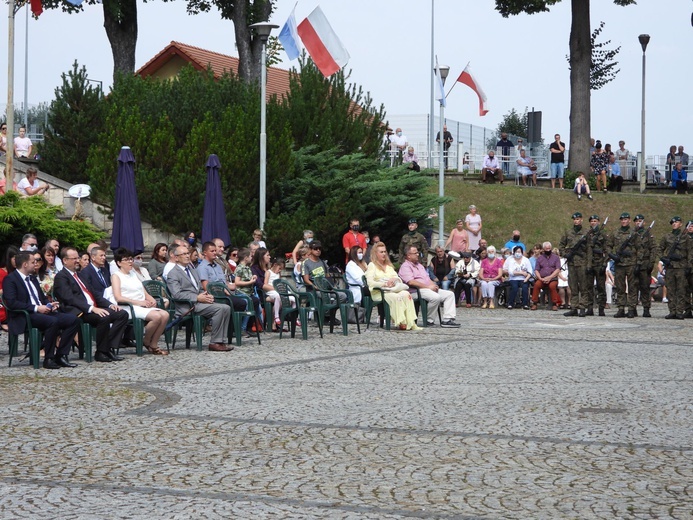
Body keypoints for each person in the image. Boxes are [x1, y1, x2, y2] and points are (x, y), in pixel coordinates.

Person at [2, 252, 81, 369]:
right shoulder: (10, 279)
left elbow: (41, 297)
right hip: (25, 315)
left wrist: (49, 304)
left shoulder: (33, 278)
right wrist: (36, 308)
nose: (36, 264)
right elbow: (12, 303)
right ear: (24, 264)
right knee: (52, 321)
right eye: (33, 262)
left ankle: (60, 355)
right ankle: (49, 358)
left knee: (73, 319)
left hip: (42, 312)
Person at [53, 247, 129, 363]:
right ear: (65, 260)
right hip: (80, 310)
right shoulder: (61, 277)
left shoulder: (81, 275)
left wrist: (109, 305)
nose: (77, 261)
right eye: (73, 259)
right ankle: (101, 352)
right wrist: (92, 308)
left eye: (77, 258)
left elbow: (95, 294)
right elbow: (69, 298)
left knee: (122, 314)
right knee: (104, 317)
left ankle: (107, 348)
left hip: (93, 307)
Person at [167, 244, 233, 351]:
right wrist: (197, 297)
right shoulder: (173, 273)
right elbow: (176, 294)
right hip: (186, 306)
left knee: (226, 307)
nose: (187, 256)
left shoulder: (192, 270)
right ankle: (215, 342)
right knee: (220, 309)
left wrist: (207, 294)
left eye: (188, 253)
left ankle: (220, 341)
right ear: (176, 258)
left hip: (199, 303)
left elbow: (199, 288)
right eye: (184, 254)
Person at [111, 249, 169, 355]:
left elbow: (143, 291)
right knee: (156, 317)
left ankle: (154, 343)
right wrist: (138, 302)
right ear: (119, 263)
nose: (130, 262)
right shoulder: (116, 276)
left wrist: (150, 299)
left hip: (142, 304)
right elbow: (118, 297)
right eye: (126, 260)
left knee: (165, 314)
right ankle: (146, 340)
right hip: (128, 306)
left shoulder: (133, 274)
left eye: (130, 259)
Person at [398, 246, 459, 327]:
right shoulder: (405, 266)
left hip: (427, 289)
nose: (418, 255)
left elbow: (427, 278)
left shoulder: (419, 265)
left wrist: (433, 285)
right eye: (415, 253)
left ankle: (448, 319)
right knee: (435, 297)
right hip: (415, 291)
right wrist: (428, 287)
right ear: (408, 255)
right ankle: (429, 320)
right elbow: (411, 282)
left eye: (418, 253)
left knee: (449, 294)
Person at [365, 242, 419, 331]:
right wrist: (384, 284)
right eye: (381, 252)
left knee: (406, 294)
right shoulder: (372, 265)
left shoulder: (389, 265)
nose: (383, 254)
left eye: (384, 252)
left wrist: (394, 280)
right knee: (395, 297)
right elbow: (370, 282)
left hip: (392, 289)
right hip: (380, 291)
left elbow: (398, 278)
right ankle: (401, 321)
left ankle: (410, 321)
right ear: (376, 253)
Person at [606, 213, 640, 318]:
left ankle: (631, 308)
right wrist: (612, 255)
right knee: (620, 287)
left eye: (625, 219)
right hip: (619, 263)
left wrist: (638, 263)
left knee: (632, 287)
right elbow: (608, 245)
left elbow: (640, 248)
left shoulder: (634, 233)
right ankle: (621, 308)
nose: (623, 221)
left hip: (631, 263)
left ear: (629, 220)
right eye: (622, 220)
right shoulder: (615, 233)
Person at [659, 217, 692, 319]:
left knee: (681, 289)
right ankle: (672, 311)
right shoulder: (667, 236)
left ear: (681, 224)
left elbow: (690, 252)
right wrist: (664, 259)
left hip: (681, 266)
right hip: (670, 267)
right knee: (671, 290)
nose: (674, 224)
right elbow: (659, 249)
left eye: (676, 222)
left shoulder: (686, 237)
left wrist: (689, 266)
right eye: (672, 222)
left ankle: (679, 311)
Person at [559, 212, 591, 317]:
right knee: (573, 286)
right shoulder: (568, 232)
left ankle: (582, 307)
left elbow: (589, 249)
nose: (576, 221)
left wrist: (589, 264)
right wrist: (565, 254)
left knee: (583, 286)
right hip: (572, 262)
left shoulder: (586, 232)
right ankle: (574, 307)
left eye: (578, 219)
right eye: (574, 219)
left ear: (581, 220)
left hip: (582, 262)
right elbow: (561, 245)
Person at [632, 215, 657, 318]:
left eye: (640, 221)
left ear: (644, 223)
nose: (639, 223)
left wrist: (651, 263)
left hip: (645, 264)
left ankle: (646, 308)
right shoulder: (632, 234)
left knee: (645, 287)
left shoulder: (648, 235)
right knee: (633, 287)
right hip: (633, 264)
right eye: (637, 221)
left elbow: (653, 249)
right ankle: (632, 308)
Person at [585, 215, 608, 316]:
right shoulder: (587, 234)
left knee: (601, 287)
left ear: (598, 222)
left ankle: (601, 308)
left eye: (595, 221)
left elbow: (607, 250)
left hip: (599, 263)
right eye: (592, 221)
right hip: (589, 263)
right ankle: (589, 307)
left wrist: (604, 263)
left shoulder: (603, 234)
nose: (593, 223)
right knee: (588, 287)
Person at [531, 242, 561, 311]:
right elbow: (536, 270)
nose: (548, 250)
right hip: (542, 278)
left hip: (553, 278)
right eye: (546, 248)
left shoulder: (556, 258)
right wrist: (540, 278)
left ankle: (554, 304)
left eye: (549, 248)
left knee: (552, 286)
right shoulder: (540, 258)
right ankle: (534, 303)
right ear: (543, 249)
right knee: (537, 285)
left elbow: (557, 269)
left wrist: (550, 277)